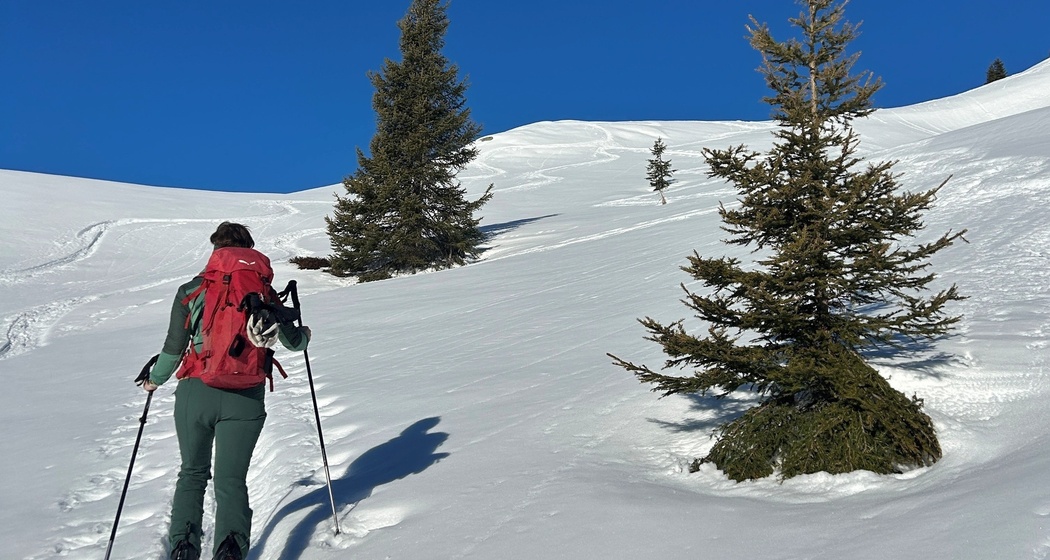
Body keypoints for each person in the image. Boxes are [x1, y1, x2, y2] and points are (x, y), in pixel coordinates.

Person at [143, 222, 311, 560]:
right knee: (231, 479)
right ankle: (230, 550)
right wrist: (304, 333)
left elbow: (174, 348)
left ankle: (182, 548)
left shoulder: (192, 290)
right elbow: (295, 343)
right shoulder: (264, 292)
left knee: (192, 473)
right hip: (246, 395)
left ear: (215, 250)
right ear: (249, 250)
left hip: (196, 391)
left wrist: (154, 379)